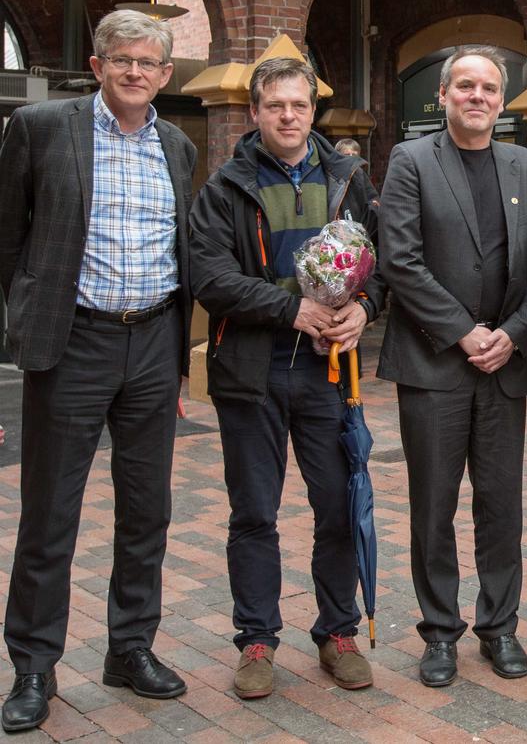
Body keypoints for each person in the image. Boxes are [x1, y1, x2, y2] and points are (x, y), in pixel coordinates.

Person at [0, 9, 194, 732]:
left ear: (165, 75)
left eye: (148, 63)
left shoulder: (177, 147)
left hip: (151, 342)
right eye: (123, 61)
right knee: (51, 514)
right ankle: (33, 667)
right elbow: (7, 235)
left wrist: (176, 360)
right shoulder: (44, 129)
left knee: (147, 511)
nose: (135, 72)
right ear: (98, 64)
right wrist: (27, 315)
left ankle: (130, 648)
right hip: (72, 342)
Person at [189, 57, 387, 700]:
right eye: (275, 105)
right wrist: (291, 308)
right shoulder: (225, 186)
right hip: (253, 371)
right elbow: (211, 278)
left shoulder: (347, 175)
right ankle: (256, 639)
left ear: (312, 110)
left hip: (330, 372)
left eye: (299, 105)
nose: (288, 116)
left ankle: (337, 631)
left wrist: (362, 308)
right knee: (254, 512)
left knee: (337, 505)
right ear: (255, 112)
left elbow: (383, 265)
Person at [376, 46, 527, 688]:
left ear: (501, 102)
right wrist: (462, 334)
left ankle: (499, 629)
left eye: (489, 88)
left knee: (501, 505)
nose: (477, 96)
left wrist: (514, 333)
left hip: (504, 365)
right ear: (443, 95)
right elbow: (400, 258)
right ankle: (440, 632)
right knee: (434, 506)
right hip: (433, 365)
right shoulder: (411, 160)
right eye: (465, 86)